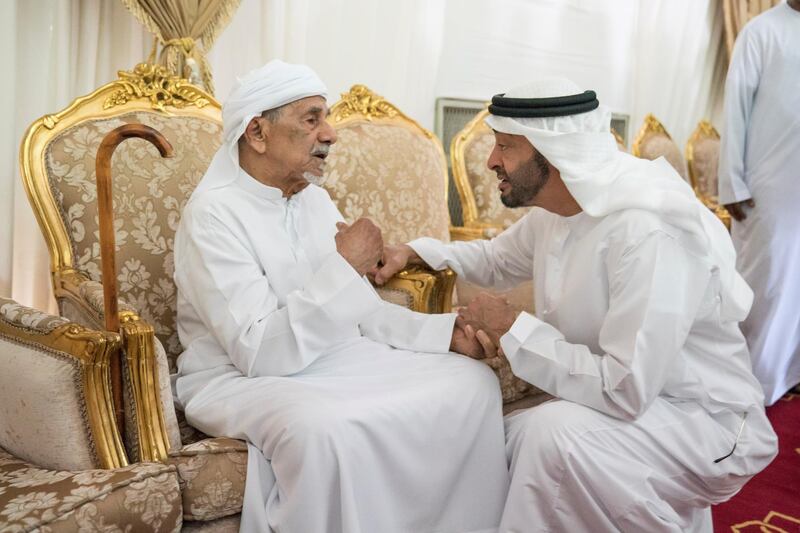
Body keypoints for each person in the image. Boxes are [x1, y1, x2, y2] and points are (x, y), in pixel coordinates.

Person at [376, 78, 778, 532]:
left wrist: (513, 329)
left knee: (550, 436)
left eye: (505, 147)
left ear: (553, 153)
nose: (491, 162)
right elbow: (494, 259)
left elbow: (625, 388)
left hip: (701, 420)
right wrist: (412, 250)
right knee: (514, 438)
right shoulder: (563, 209)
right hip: (638, 406)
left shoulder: (646, 232)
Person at [173, 60, 509, 533]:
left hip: (333, 357)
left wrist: (440, 333)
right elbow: (260, 352)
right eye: (311, 119)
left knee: (471, 385)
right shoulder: (212, 215)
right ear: (257, 133)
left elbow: (359, 314)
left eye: (326, 118)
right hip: (237, 375)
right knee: (322, 429)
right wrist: (345, 265)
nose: (330, 133)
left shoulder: (311, 197)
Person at [718, 0, 800, 405]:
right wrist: (731, 183)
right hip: (767, 187)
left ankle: (786, 375)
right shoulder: (761, 30)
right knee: (764, 286)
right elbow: (735, 109)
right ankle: (745, 385)